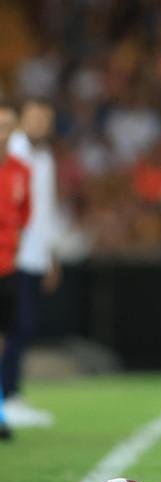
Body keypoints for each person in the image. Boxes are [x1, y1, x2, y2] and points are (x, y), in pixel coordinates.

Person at [4, 98, 59, 428]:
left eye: (46, 118)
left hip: (35, 254)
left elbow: (43, 212)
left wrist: (51, 255)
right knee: (13, 328)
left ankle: (12, 393)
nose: (41, 124)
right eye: (34, 118)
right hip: (13, 256)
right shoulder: (13, 154)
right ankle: (7, 396)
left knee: (23, 328)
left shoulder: (45, 156)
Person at [0, 100, 30, 441]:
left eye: (8, 126)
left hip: (7, 267)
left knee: (4, 342)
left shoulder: (21, 170)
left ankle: (1, 410)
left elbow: (24, 216)